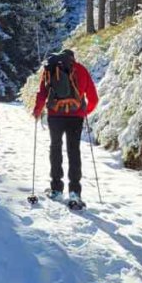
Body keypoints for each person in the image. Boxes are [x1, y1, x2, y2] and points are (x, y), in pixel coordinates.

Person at [32, 49, 98, 204]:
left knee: (55, 148)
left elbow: (42, 93)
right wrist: (84, 111)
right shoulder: (81, 69)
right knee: (73, 151)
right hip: (76, 117)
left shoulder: (51, 68)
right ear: (73, 59)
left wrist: (37, 111)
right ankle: (75, 192)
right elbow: (93, 98)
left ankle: (56, 189)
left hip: (55, 116)